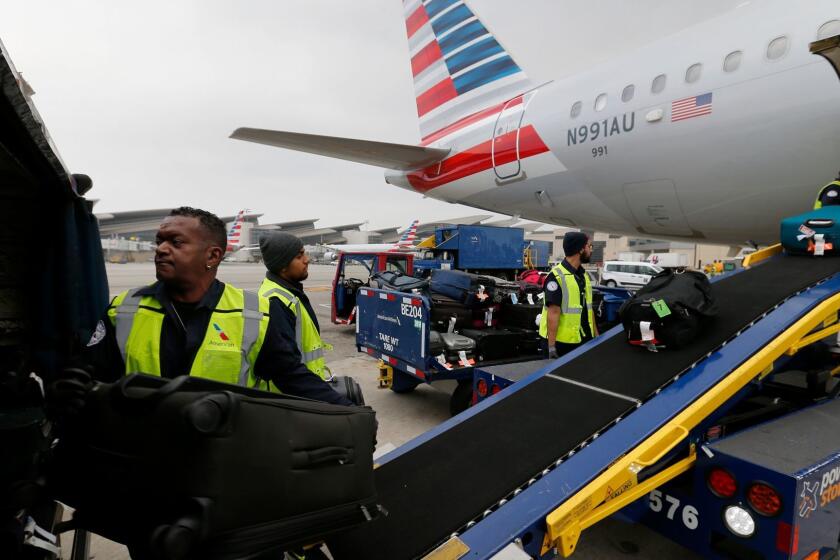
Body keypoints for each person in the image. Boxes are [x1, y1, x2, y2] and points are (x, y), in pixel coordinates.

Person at [80, 207, 350, 405]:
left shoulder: (255, 314)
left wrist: (348, 411)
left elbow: (293, 377)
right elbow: (92, 379)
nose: (161, 249)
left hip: (222, 460)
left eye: (175, 242)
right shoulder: (123, 310)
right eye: (159, 241)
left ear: (212, 256)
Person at [258, 232, 332, 381]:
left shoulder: (289, 293)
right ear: (282, 266)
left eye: (305, 254)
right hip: (298, 394)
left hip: (309, 386)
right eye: (299, 256)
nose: (307, 260)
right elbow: (287, 370)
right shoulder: (276, 302)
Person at [539, 231, 597, 359]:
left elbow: (589, 309)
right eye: (589, 246)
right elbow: (553, 313)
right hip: (562, 344)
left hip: (582, 339)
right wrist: (551, 347)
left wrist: (596, 336)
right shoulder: (556, 276)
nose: (590, 250)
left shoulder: (583, 275)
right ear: (580, 250)